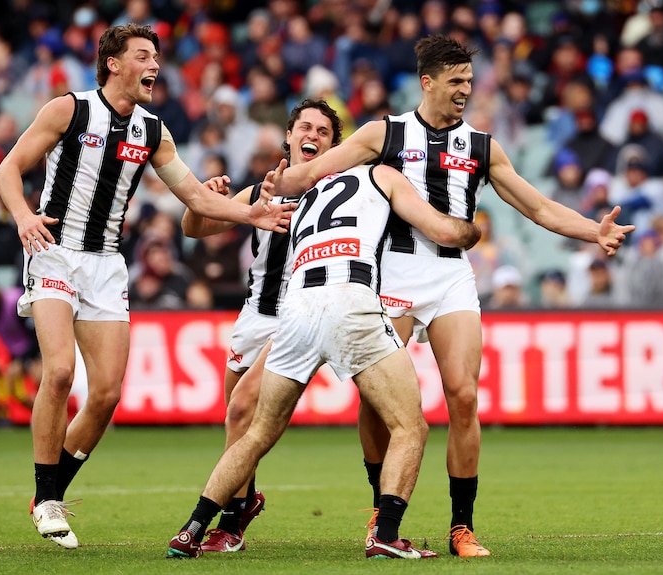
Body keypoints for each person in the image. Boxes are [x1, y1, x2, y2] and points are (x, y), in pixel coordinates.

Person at [272, 34, 634, 557]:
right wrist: (271, 189)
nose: (465, 89)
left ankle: (461, 526)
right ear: (428, 82)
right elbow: (316, 170)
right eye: (456, 80)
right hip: (391, 274)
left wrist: (591, 232)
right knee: (378, 404)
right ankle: (384, 512)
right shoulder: (384, 133)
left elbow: (537, 207)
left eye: (469, 80)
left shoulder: (483, 146)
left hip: (450, 278)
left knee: (463, 396)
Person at [0, 23, 295, 550]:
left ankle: (52, 493)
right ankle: (46, 499)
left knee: (107, 393)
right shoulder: (68, 109)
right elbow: (8, 169)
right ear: (113, 63)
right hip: (55, 251)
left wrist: (251, 213)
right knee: (61, 370)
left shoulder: (153, 131)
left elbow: (197, 200)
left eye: (156, 56)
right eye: (143, 55)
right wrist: (22, 215)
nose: (154, 64)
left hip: (107, 264)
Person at [168, 161, 481, 561]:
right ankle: (385, 533)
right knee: (410, 426)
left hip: (295, 310)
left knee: (258, 432)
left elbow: (201, 226)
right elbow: (443, 231)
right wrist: (474, 229)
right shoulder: (379, 175)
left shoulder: (298, 195)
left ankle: (191, 529)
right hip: (349, 298)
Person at [178, 98, 343, 553]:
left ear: (333, 144)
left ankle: (228, 523)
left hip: (299, 316)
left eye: (323, 131)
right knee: (236, 421)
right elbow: (195, 227)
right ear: (288, 136)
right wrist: (204, 199)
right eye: (304, 127)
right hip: (255, 314)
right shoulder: (260, 193)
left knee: (241, 413)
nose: (312, 135)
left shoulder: (340, 190)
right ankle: (245, 500)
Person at [0, 284, 40, 424]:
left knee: (42, 380)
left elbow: (36, 334)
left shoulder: (14, 303)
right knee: (15, 390)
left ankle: (54, 416)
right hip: (16, 352)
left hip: (36, 348)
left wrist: (23, 361)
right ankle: (44, 417)